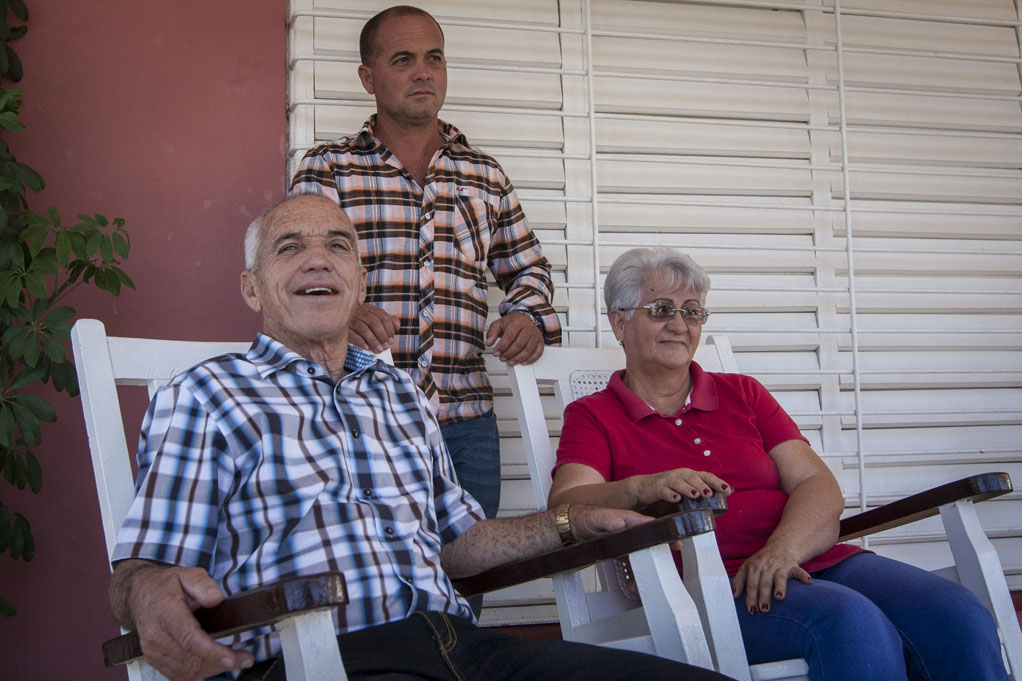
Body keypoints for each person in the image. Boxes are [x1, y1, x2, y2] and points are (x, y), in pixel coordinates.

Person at [106, 196, 733, 681]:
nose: (317, 260)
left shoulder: (399, 392)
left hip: (460, 650)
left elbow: (460, 542)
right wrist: (145, 591)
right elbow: (142, 568)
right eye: (289, 247)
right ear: (251, 287)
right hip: (319, 660)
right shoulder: (206, 396)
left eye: (338, 246)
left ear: (359, 281)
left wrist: (572, 523)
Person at [548, 247, 1009, 681]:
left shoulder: (743, 393)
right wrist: (641, 486)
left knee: (955, 612)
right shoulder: (594, 414)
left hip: (808, 559)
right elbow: (567, 503)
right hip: (713, 587)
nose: (679, 325)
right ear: (619, 322)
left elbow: (817, 483)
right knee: (852, 623)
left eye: (692, 311)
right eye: (661, 309)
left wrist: (782, 552)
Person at [288, 5, 560, 519]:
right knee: (370, 563)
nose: (423, 72)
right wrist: (343, 314)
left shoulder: (484, 174)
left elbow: (528, 268)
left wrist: (527, 315)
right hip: (358, 413)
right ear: (368, 78)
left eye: (434, 58)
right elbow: (301, 272)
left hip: (467, 422)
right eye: (403, 59)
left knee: (474, 563)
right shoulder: (329, 168)